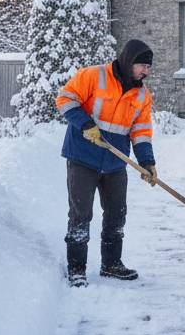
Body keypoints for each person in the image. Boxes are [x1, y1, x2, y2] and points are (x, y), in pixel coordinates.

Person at [55, 38, 157, 286]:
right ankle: (77, 269)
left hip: (115, 163)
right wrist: (85, 124)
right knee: (81, 214)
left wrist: (147, 161)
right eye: (142, 65)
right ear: (129, 61)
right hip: (83, 157)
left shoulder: (142, 95)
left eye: (148, 67)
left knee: (116, 214)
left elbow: (141, 130)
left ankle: (111, 264)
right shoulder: (94, 75)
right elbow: (65, 98)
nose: (145, 71)